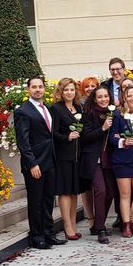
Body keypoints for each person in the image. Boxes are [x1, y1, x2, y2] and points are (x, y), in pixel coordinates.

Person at [14, 76, 66, 249]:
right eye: (34, 87)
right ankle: (37, 237)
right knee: (35, 202)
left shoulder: (48, 109)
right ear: (28, 89)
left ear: (44, 89)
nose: (37, 89)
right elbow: (23, 141)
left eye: (40, 87)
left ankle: (49, 234)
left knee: (48, 200)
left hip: (50, 161)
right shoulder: (23, 111)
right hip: (35, 164)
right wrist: (32, 164)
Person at [80, 86, 116, 244]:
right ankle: (100, 229)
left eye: (106, 97)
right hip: (94, 159)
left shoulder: (113, 113)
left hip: (109, 159)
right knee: (100, 190)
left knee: (110, 193)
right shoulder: (87, 113)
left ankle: (97, 224)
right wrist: (102, 128)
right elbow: (85, 137)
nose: (103, 100)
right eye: (100, 97)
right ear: (94, 99)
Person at [110, 85, 133, 238]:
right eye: (129, 96)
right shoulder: (118, 116)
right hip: (122, 160)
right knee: (125, 194)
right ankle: (126, 225)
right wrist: (123, 142)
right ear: (124, 98)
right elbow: (112, 137)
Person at [51, 77, 84, 240]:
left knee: (74, 191)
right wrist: (67, 137)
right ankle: (66, 225)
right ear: (60, 92)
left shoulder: (79, 107)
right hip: (63, 154)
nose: (69, 92)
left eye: (72, 89)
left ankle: (73, 223)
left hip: (77, 155)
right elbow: (53, 133)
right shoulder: (56, 109)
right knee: (64, 190)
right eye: (66, 90)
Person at [78, 76, 100, 230]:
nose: (90, 88)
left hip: (95, 149)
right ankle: (91, 219)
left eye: (93, 86)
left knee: (98, 187)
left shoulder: (101, 103)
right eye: (87, 86)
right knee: (86, 187)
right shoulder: (79, 105)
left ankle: (97, 219)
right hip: (81, 149)